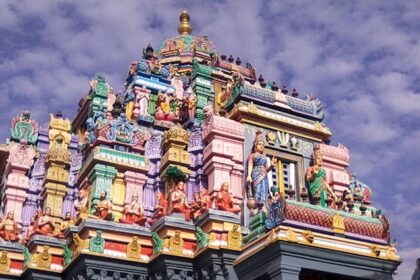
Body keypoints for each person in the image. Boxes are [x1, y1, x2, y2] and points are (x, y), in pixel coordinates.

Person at [246, 131, 277, 210]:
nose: (261, 146)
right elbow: (250, 165)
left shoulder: (264, 157)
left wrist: (272, 165)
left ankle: (263, 205)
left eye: (263, 145)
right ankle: (257, 205)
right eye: (259, 144)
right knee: (257, 189)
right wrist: (249, 175)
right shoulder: (252, 155)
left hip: (264, 174)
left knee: (264, 189)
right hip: (256, 173)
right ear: (255, 146)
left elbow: (267, 169)